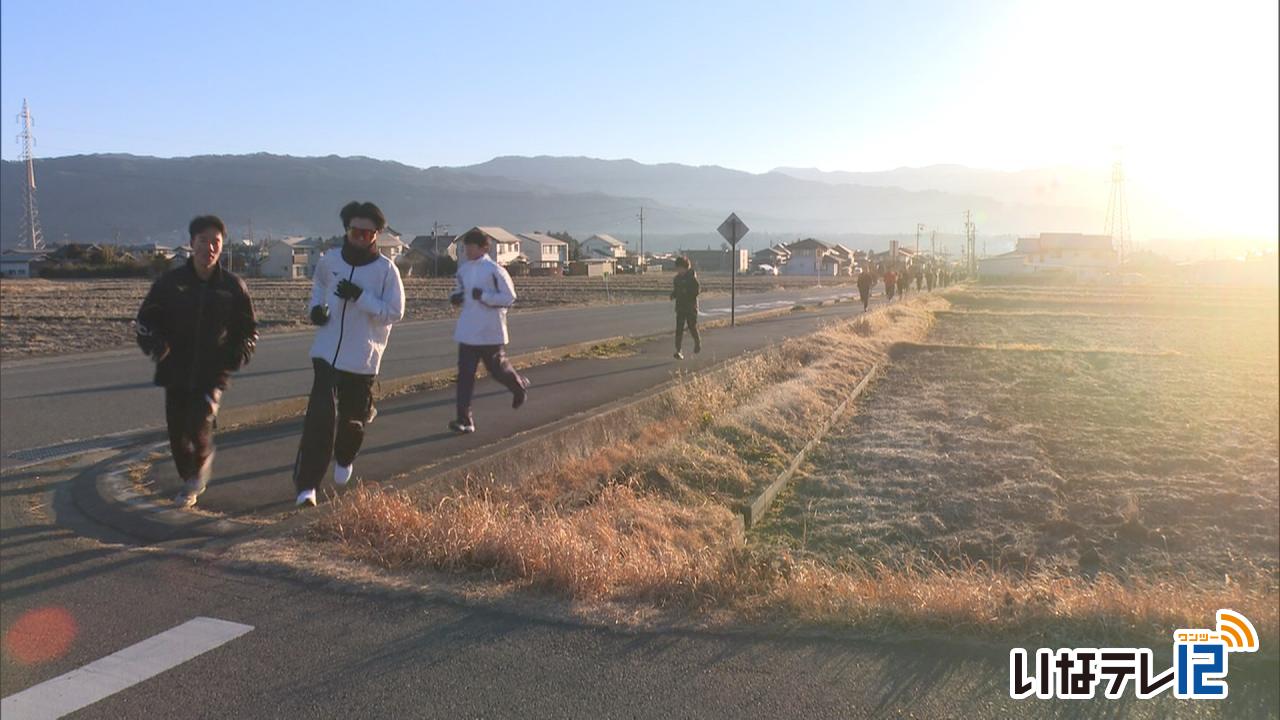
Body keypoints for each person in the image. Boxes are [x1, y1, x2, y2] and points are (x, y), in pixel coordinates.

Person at [136, 215, 257, 508]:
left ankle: (195, 476)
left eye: (215, 242)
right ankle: (189, 475)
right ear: (192, 244)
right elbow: (144, 322)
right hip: (174, 368)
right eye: (203, 241)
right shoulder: (170, 283)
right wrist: (155, 344)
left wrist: (238, 354)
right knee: (177, 433)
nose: (209, 247)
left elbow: (249, 330)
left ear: (222, 246)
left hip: (213, 371)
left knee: (198, 423)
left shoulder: (232, 286)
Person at [292, 201, 405, 507]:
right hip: (326, 353)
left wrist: (360, 297)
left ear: (377, 235)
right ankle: (307, 487)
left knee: (351, 423)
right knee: (319, 419)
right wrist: (315, 310)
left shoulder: (386, 271)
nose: (361, 237)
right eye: (356, 230)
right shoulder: (329, 261)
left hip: (363, 357)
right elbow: (318, 286)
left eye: (368, 233)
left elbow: (394, 312)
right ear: (347, 230)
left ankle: (345, 456)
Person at [449, 228, 529, 434]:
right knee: (465, 376)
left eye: (470, 247)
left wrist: (484, 296)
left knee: (497, 370)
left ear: (483, 247)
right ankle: (464, 420)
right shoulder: (463, 270)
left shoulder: (496, 270)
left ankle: (517, 386)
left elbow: (509, 297)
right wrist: (456, 297)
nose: (467, 250)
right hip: (467, 331)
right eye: (465, 247)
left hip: (489, 331)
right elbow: (459, 290)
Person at [671, 255, 702, 359]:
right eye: (677, 268)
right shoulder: (677, 279)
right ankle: (678, 350)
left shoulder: (692, 278)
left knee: (692, 326)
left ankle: (697, 342)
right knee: (679, 329)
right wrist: (673, 294)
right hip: (680, 307)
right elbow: (676, 290)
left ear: (685, 267)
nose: (678, 271)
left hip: (691, 307)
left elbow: (697, 291)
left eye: (680, 268)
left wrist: (687, 293)